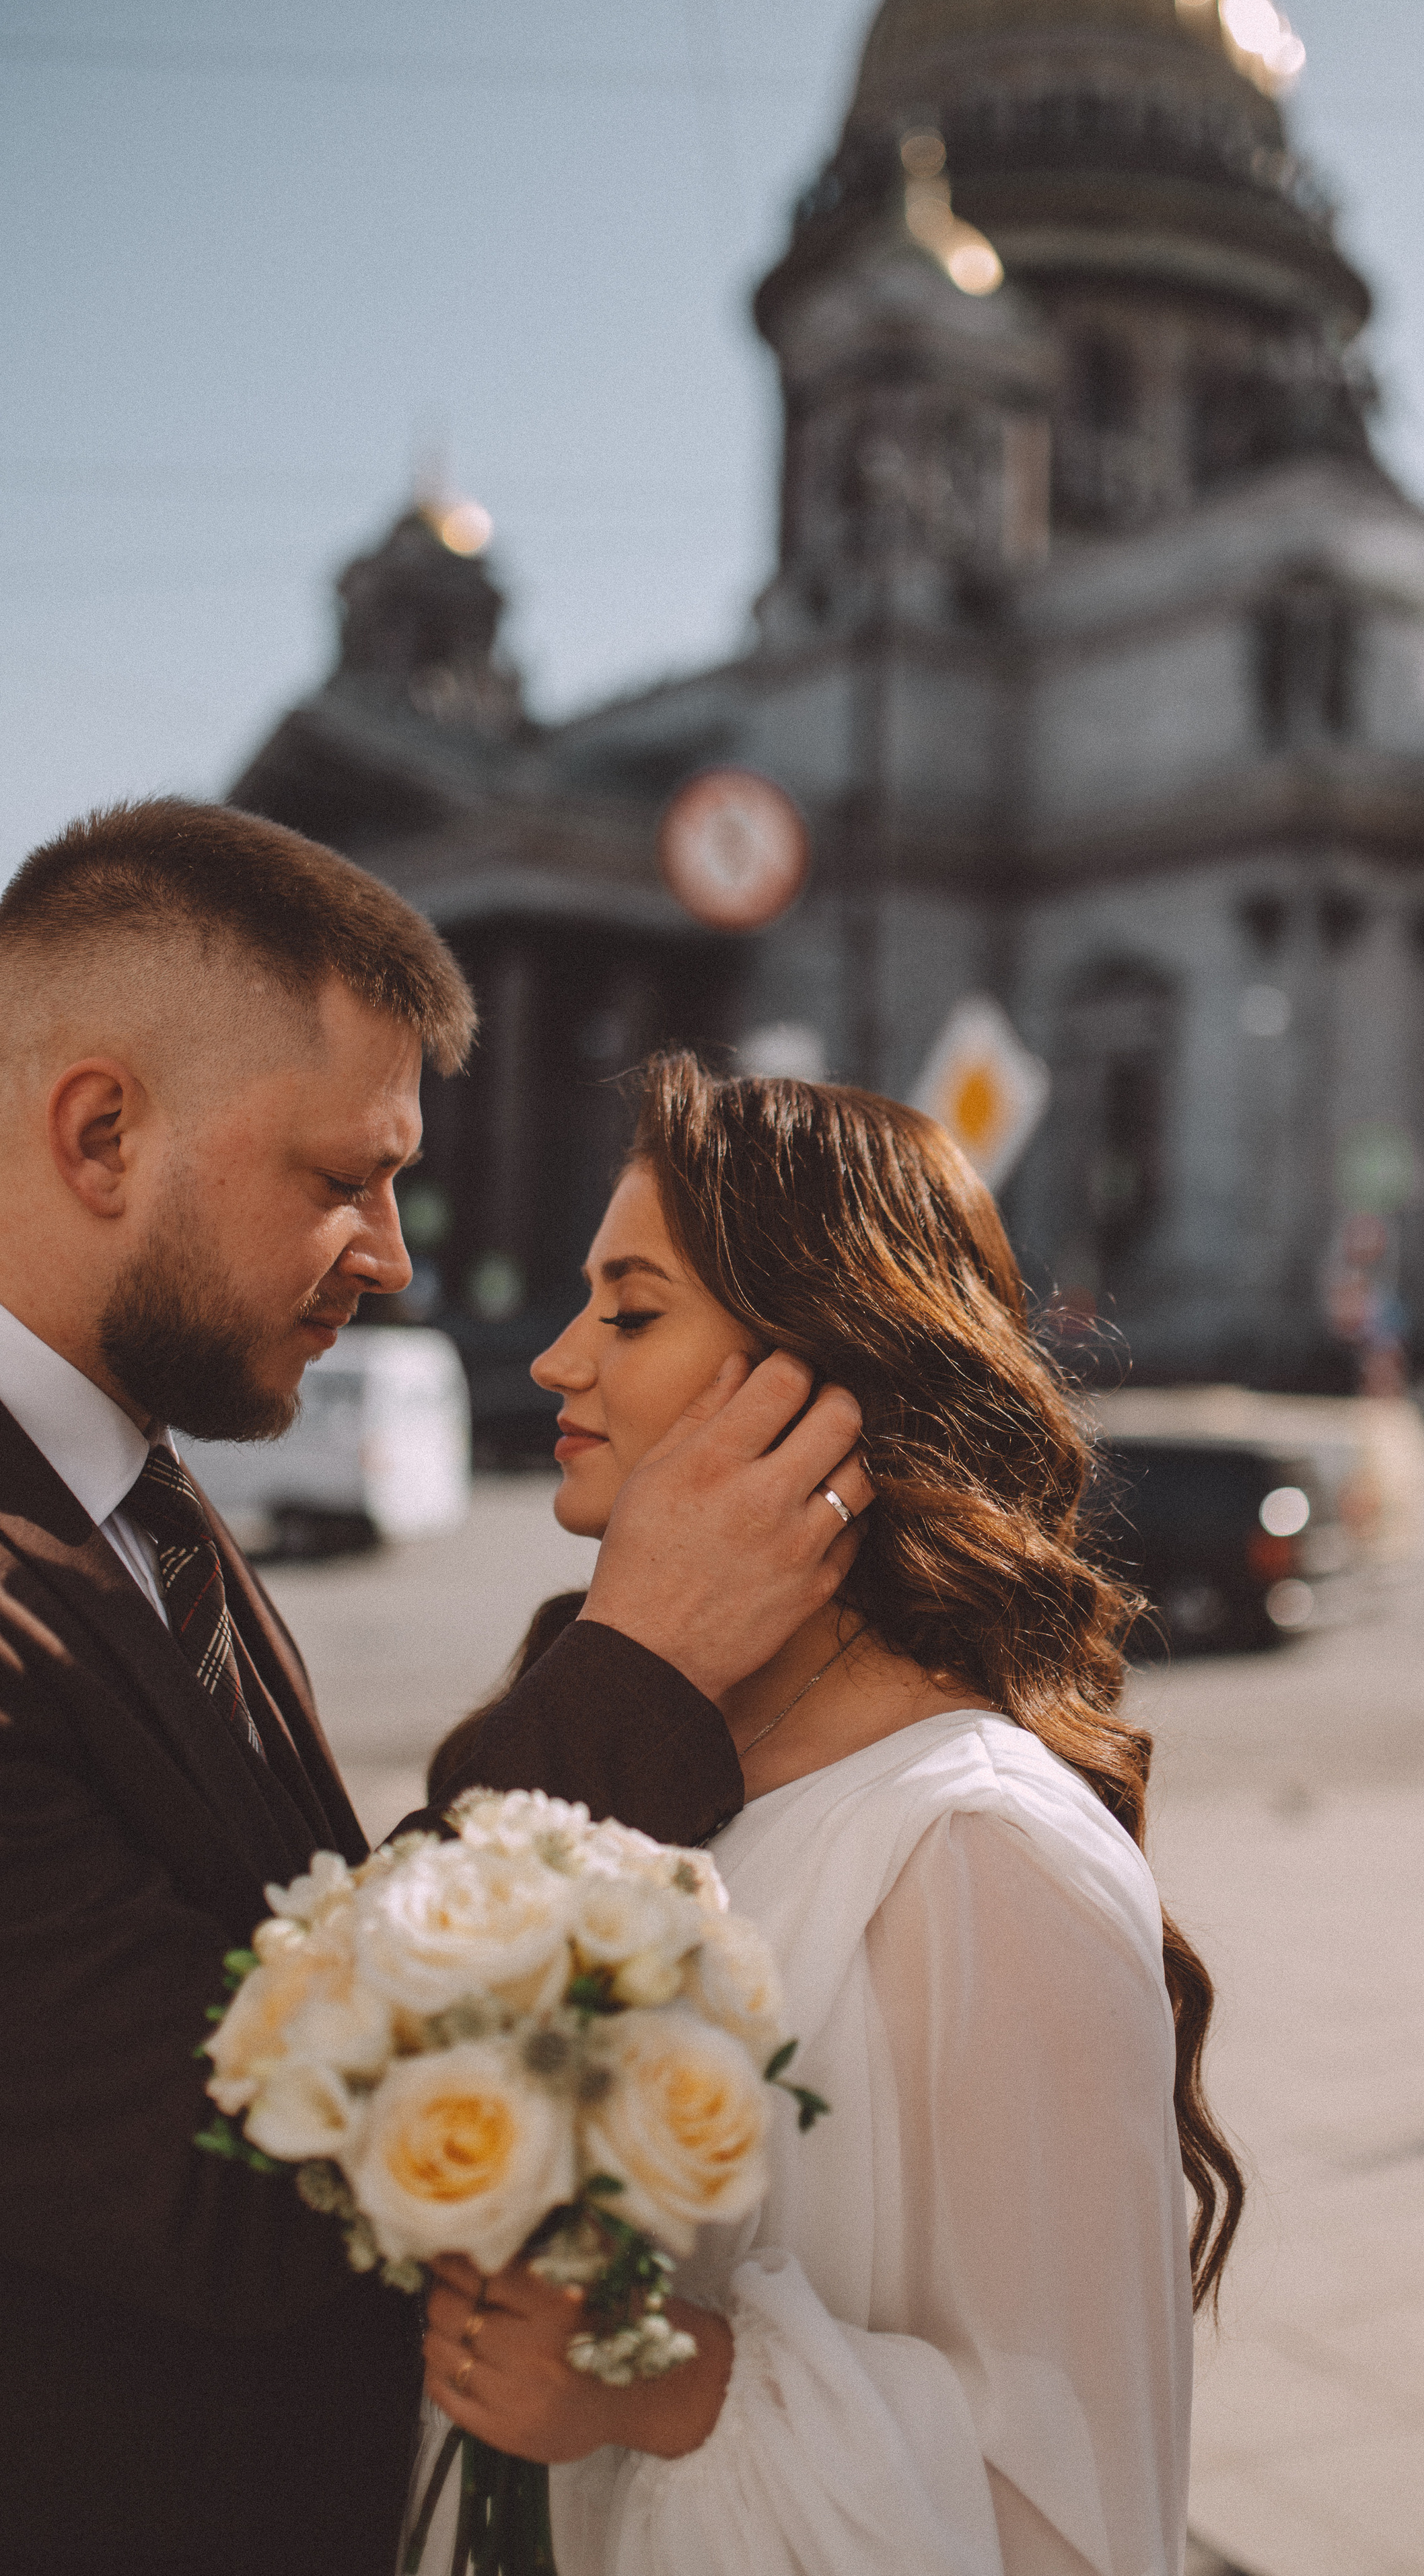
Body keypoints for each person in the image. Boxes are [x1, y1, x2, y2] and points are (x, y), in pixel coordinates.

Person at [0, 805, 867, 2576]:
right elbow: (217, 2168)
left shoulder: (135, 1496)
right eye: (340, 1177)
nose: (391, 1253)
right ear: (100, 1132)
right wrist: (639, 1666)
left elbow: (284, 1941)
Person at [413, 1054, 1243, 2576]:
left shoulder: (983, 1854)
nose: (553, 1360)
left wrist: (676, 2388)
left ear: (816, 1376)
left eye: (630, 1308)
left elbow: (1079, 2519)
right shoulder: (645, 1762)